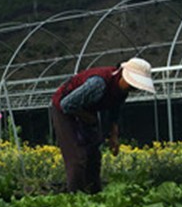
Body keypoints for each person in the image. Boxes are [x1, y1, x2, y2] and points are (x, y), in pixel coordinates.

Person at [50, 57, 155, 193]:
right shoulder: (98, 83)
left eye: (136, 87)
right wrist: (87, 118)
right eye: (132, 85)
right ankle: (75, 197)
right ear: (123, 75)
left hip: (87, 110)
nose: (134, 89)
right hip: (64, 109)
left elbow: (115, 111)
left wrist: (114, 136)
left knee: (94, 155)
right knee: (77, 158)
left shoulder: (122, 91)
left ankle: (95, 195)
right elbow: (67, 104)